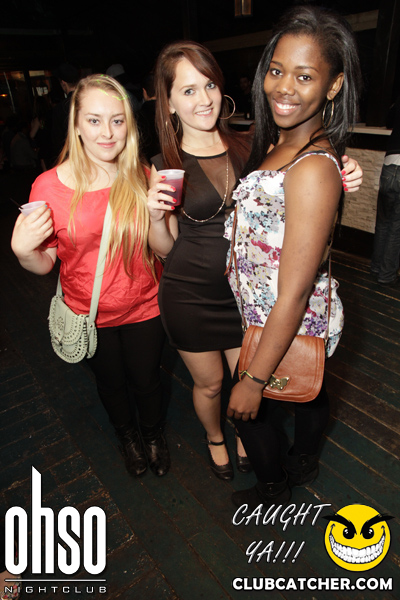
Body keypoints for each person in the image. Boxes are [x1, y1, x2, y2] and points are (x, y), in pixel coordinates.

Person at [147, 41, 362, 482]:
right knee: (209, 384)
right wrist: (153, 216)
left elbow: (299, 169)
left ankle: (250, 438)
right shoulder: (162, 163)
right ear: (167, 102)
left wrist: (342, 168)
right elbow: (167, 248)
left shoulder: (251, 144)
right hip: (190, 294)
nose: (203, 99)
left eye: (209, 85)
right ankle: (215, 438)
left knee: (247, 384)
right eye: (187, 90)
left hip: (243, 299)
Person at [224, 5, 362, 508]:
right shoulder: (282, 141)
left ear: (333, 85)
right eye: (276, 70)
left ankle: (274, 489)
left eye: (304, 76)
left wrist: (253, 379)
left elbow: (296, 290)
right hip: (267, 314)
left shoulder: (312, 166)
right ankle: (303, 460)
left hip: (286, 314)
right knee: (310, 388)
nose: (284, 87)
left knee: (248, 408)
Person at [11, 74, 170, 479]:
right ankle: (127, 437)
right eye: (94, 120)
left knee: (147, 381)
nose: (107, 132)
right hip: (88, 312)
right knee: (111, 384)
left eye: (117, 120)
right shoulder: (48, 187)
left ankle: (153, 435)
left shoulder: (143, 174)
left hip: (145, 305)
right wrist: (24, 252)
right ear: (77, 125)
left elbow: (165, 247)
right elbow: (46, 262)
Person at [370, 95, 400, 287]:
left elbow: (388, 121)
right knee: (396, 227)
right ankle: (387, 275)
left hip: (390, 164)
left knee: (383, 222)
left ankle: (375, 267)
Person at [51, 63, 80, 162]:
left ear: (63, 83)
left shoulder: (60, 108)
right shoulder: (89, 101)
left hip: (70, 158)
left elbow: (57, 141)